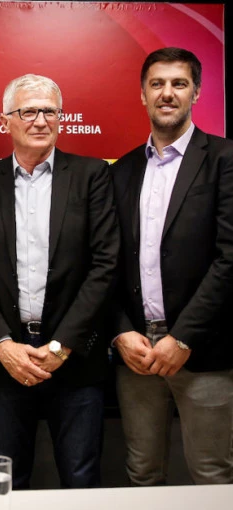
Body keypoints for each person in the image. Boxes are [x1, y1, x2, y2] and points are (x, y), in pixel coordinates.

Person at [0, 74, 119, 489]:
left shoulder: (92, 175)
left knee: (81, 480)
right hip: (7, 361)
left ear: (61, 118)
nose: (40, 120)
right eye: (28, 111)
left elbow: (105, 265)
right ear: (6, 120)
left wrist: (62, 345)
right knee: (7, 481)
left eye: (49, 111)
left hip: (75, 359)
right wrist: (2, 345)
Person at [110, 47, 233, 485]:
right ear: (142, 94)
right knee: (142, 473)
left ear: (196, 93)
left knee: (213, 475)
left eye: (179, 84)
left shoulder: (224, 159)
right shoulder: (122, 171)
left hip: (203, 352)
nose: (167, 93)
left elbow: (229, 258)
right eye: (157, 84)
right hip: (137, 355)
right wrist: (121, 331)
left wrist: (182, 338)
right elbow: (106, 263)